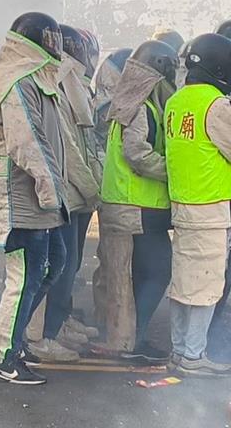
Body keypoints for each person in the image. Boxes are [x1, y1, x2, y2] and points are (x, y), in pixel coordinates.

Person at [0, 12, 67, 386]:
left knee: (53, 265)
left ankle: (11, 341)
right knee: (25, 276)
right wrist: (52, 190)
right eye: (50, 38)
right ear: (32, 40)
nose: (56, 46)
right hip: (19, 195)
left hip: (38, 196)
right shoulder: (16, 79)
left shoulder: (36, 77)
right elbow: (25, 141)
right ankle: (3, 357)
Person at [95, 40, 178, 362]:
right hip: (135, 206)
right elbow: (137, 153)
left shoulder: (132, 102)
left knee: (137, 274)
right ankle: (131, 340)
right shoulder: (140, 106)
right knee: (156, 271)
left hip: (135, 204)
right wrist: (175, 172)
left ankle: (127, 338)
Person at [26, 26, 103, 362]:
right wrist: (90, 185)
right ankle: (41, 335)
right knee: (57, 266)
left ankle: (56, 326)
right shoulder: (59, 83)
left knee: (68, 266)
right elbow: (68, 148)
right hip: (66, 192)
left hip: (77, 192)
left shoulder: (75, 84)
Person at [164, 33, 231, 377]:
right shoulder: (216, 105)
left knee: (183, 283)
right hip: (210, 209)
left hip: (182, 206)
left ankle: (178, 352)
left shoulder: (175, 101)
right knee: (206, 285)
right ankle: (193, 356)